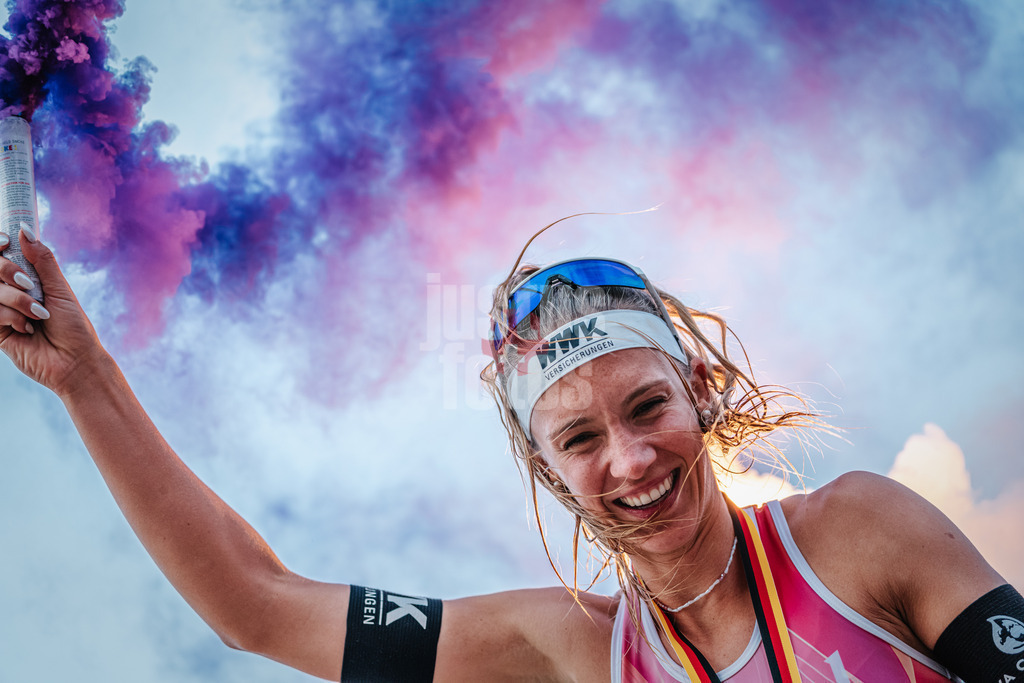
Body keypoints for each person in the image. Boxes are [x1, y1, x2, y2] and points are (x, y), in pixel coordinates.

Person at [1, 223, 1022, 682]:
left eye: (647, 406)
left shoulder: (853, 532)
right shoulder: (572, 649)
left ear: (701, 389)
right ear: (545, 468)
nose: (631, 459)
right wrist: (85, 378)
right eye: (579, 438)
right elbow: (255, 605)